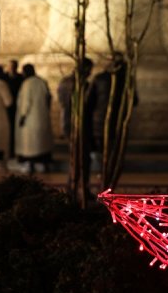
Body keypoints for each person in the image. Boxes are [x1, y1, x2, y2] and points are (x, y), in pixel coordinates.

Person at [90, 52, 138, 176]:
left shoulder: (99, 78)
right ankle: (112, 170)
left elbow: (89, 100)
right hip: (119, 121)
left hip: (99, 121)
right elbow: (135, 101)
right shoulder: (128, 80)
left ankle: (103, 171)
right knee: (115, 147)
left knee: (102, 148)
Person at [57, 57, 95, 198]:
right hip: (79, 124)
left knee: (76, 156)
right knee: (82, 157)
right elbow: (87, 106)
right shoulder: (82, 84)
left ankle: (73, 187)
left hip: (67, 123)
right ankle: (76, 188)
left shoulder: (65, 82)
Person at [15, 64, 54, 173]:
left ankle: (30, 164)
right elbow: (48, 98)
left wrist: (22, 116)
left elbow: (26, 103)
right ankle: (42, 164)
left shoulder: (27, 84)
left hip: (30, 119)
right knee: (41, 143)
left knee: (30, 145)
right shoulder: (42, 82)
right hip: (42, 116)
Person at [4, 59, 23, 157]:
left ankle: (13, 150)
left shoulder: (20, 78)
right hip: (7, 107)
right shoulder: (5, 77)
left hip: (17, 106)